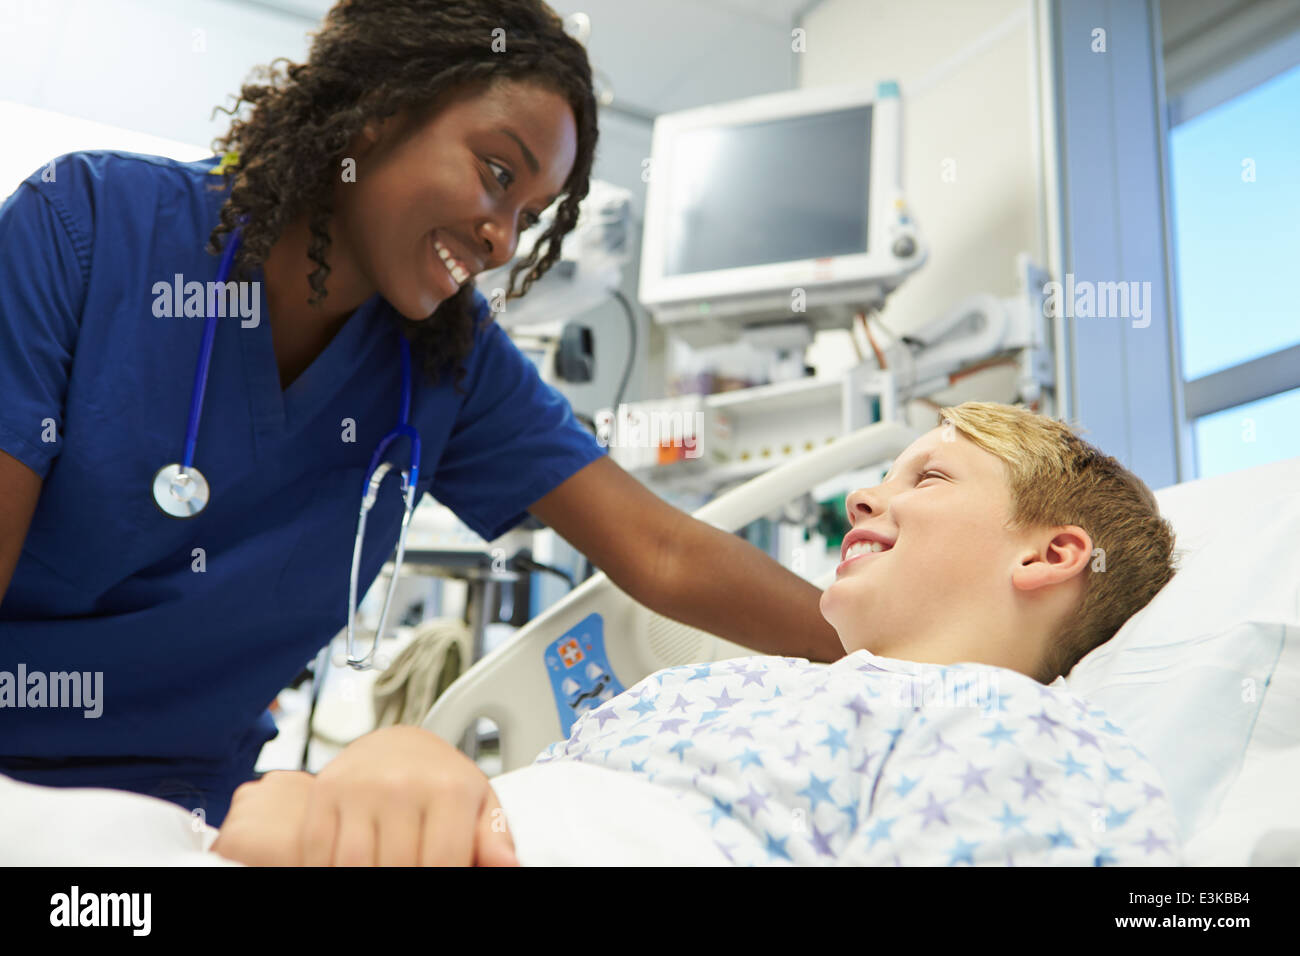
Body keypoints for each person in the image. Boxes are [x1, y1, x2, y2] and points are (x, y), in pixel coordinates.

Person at [0, 0, 841, 832]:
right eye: (499, 175)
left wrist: (914, 656)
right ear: (377, 111)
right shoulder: (85, 230)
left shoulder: (446, 358)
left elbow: (661, 550)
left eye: (529, 217)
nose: (505, 240)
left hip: (193, 815)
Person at [209, 401, 1184, 866]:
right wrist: (401, 764)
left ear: (1052, 554)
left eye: (927, 477)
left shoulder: (1019, 730)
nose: (861, 494)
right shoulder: (709, 690)